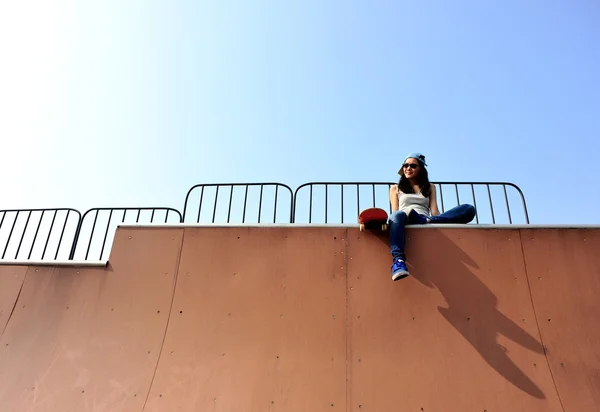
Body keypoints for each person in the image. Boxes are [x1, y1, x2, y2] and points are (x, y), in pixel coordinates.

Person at [389, 152, 476, 281]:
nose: (408, 168)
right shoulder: (395, 188)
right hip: (405, 217)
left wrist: (436, 220)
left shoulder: (430, 187)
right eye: (405, 165)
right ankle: (399, 261)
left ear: (421, 169)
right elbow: (395, 212)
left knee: (468, 209)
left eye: (413, 165)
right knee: (397, 215)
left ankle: (426, 220)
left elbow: (434, 210)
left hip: (425, 220)